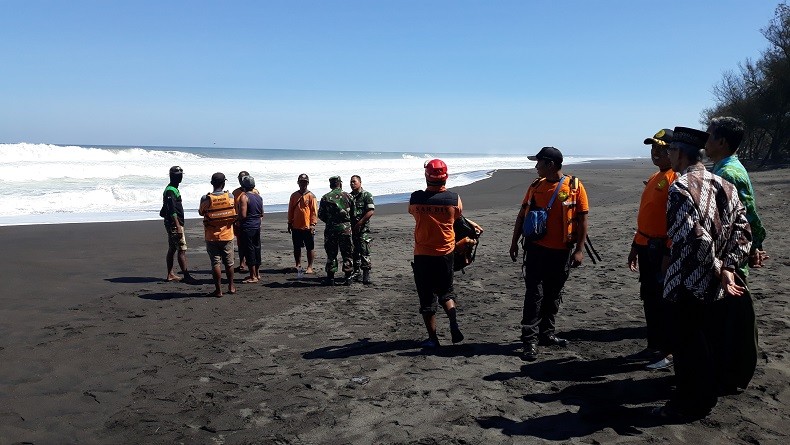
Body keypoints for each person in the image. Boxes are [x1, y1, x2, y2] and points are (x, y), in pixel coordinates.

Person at [655, 126, 751, 420]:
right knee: (711, 341)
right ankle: (706, 394)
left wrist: (721, 267)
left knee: (688, 346)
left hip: (688, 281)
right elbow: (742, 232)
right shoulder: (725, 185)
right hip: (718, 283)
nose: (668, 154)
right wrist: (730, 266)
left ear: (681, 154)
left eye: (671, 150)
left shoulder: (680, 188)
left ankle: (690, 403)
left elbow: (693, 237)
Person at [509, 147, 589, 361]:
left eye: (539, 163)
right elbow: (521, 215)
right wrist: (514, 242)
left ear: (550, 164)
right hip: (535, 250)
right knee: (534, 295)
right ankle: (530, 341)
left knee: (553, 295)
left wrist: (579, 250)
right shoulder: (535, 186)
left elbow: (582, 220)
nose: (536, 167)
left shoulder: (575, 186)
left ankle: (546, 334)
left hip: (562, 252)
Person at [705, 116, 766, 392]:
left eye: (709, 136)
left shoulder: (728, 173)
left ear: (721, 141)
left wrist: (754, 246)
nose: (705, 142)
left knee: (732, 319)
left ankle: (731, 376)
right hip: (730, 254)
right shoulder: (723, 167)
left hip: (730, 257)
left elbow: (747, 215)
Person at [409, 159, 481, 348]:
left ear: (426, 176)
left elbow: (414, 213)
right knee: (446, 292)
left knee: (426, 297)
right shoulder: (454, 199)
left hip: (423, 254)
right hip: (446, 254)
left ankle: (433, 339)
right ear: (446, 177)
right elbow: (457, 217)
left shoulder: (416, 199)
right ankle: (453, 322)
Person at [625, 129, 677, 371]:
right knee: (649, 298)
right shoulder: (657, 175)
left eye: (662, 148)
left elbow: (676, 221)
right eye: (653, 148)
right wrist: (636, 245)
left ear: (674, 151)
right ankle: (654, 344)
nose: (656, 153)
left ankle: (667, 350)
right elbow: (647, 216)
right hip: (646, 246)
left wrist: (668, 251)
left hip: (661, 249)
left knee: (663, 301)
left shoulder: (676, 178)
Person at [198, 173, 237, 297]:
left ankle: (218, 290)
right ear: (224, 183)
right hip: (227, 235)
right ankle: (231, 286)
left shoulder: (206, 199)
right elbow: (234, 209)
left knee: (216, 263)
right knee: (229, 263)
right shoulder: (230, 196)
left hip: (211, 236)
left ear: (212, 183)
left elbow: (201, 212)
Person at [317, 176, 356, 285]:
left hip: (331, 229)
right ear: (340, 184)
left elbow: (321, 215)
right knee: (347, 252)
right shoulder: (348, 196)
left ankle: (330, 278)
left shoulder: (325, 197)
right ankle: (348, 277)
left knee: (331, 253)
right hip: (345, 229)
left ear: (331, 185)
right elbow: (354, 214)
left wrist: (330, 221)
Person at [162, 166, 196, 283]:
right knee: (181, 249)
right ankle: (186, 275)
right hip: (174, 224)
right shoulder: (171, 190)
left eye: (181, 175)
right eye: (178, 175)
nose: (180, 177)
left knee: (172, 248)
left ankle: (170, 274)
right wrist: (177, 226)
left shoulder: (173, 189)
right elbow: (172, 210)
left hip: (173, 223)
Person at [288, 174, 318, 274]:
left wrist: (313, 224)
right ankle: (298, 264)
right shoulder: (294, 195)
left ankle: (310, 267)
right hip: (296, 226)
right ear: (298, 183)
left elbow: (314, 211)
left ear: (307, 183)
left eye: (305, 182)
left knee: (310, 247)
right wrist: (289, 222)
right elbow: (290, 210)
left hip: (308, 227)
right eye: (301, 181)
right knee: (296, 247)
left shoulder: (311, 196)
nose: (303, 183)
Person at [237, 175, 263, 283]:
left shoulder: (244, 197)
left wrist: (236, 219)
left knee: (249, 250)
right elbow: (262, 213)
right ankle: (257, 273)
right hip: (257, 225)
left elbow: (243, 215)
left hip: (247, 226)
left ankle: (253, 276)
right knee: (257, 248)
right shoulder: (258, 196)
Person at [349, 175, 375, 284]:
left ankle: (366, 274)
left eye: (354, 181)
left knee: (364, 250)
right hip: (352, 228)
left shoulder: (366, 195)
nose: (352, 183)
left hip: (363, 228)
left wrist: (360, 223)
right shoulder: (349, 196)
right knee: (354, 251)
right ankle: (356, 272)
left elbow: (370, 211)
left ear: (360, 182)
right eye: (351, 182)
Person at [232, 171, 258, 274]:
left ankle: (253, 266)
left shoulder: (254, 191)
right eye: (239, 178)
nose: (241, 181)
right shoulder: (235, 192)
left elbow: (258, 207)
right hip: (239, 222)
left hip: (251, 222)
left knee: (252, 245)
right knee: (240, 244)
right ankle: (242, 263)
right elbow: (233, 207)